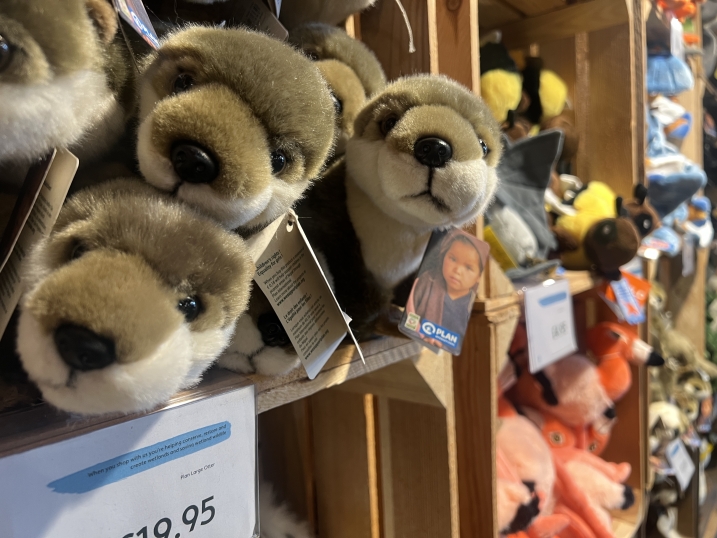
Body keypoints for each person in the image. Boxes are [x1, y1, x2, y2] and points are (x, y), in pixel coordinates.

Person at [405, 229, 488, 349]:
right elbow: (409, 315)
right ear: (444, 255)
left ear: (479, 277)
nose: (457, 271)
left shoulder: (474, 307)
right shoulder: (427, 281)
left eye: (468, 267)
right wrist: (419, 335)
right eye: (453, 259)